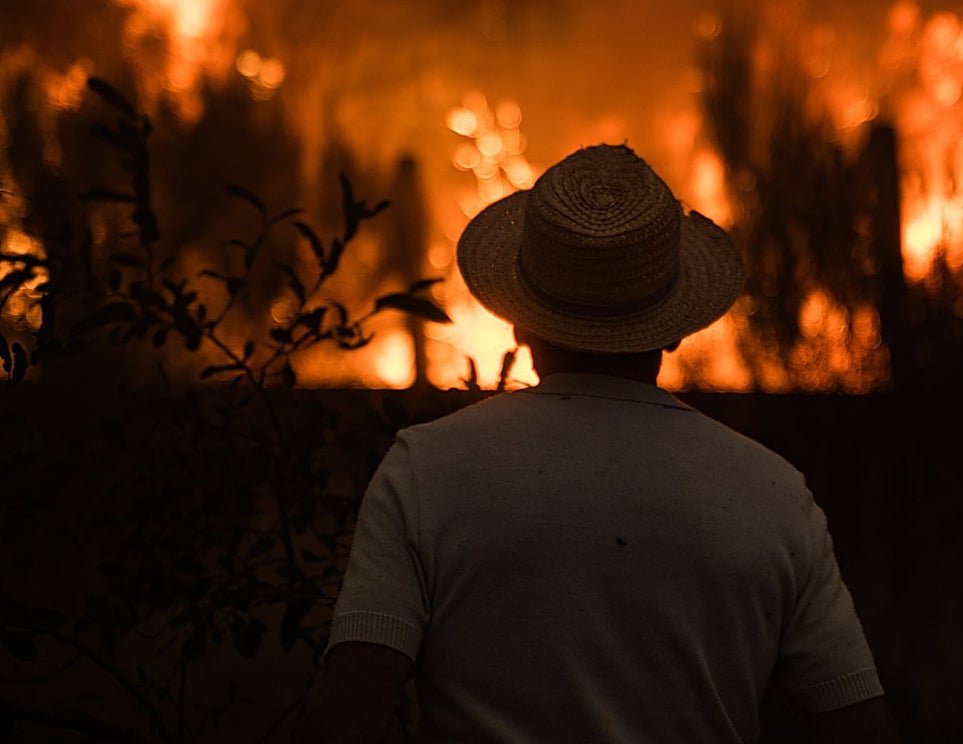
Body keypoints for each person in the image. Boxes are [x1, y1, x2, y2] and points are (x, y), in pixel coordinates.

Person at [293, 144, 900, 743]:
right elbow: (857, 725)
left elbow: (350, 715)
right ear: (675, 331)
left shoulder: (426, 469)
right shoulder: (774, 494)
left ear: (518, 320)